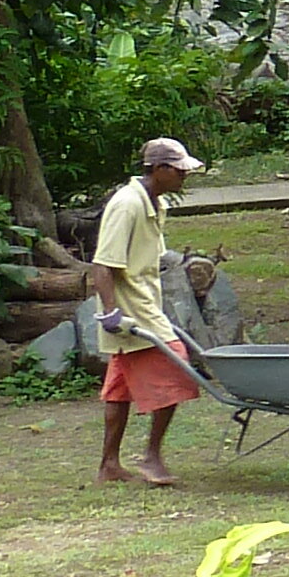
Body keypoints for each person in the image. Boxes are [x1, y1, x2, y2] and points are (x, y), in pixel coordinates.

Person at [91, 135, 207, 486]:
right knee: (177, 363)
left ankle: (109, 465)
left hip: (144, 300)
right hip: (130, 308)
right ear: (159, 169)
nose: (184, 177)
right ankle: (151, 457)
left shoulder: (155, 203)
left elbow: (150, 258)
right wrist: (111, 313)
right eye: (179, 171)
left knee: (119, 388)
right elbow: (102, 265)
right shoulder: (127, 204)